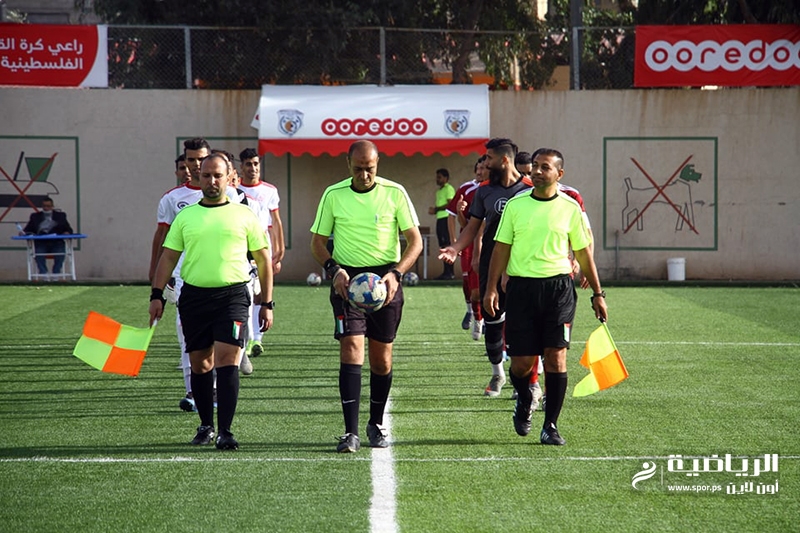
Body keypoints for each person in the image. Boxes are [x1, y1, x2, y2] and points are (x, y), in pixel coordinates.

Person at [149, 153, 274, 450]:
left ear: (229, 177)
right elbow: (168, 257)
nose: (212, 181)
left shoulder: (244, 215)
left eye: (218, 175)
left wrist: (267, 303)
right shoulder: (186, 216)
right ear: (198, 177)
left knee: (228, 360)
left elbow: (263, 259)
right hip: (194, 297)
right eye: (206, 175)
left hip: (233, 296)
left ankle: (226, 431)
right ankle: (206, 426)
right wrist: (156, 295)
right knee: (201, 363)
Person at [483, 148, 607, 446]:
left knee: (556, 356)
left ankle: (550, 425)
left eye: (545, 167)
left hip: (559, 291)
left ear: (559, 174)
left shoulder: (570, 207)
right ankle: (525, 398)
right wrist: (490, 288)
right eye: (535, 166)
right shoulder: (516, 205)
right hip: (522, 291)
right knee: (521, 365)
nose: (537, 171)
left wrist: (598, 293)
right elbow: (501, 248)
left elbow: (583, 252)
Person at [310, 140, 422, 453]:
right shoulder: (333, 195)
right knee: (351, 347)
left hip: (385, 281)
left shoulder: (395, 193)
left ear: (378, 163)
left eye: (369, 168)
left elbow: (414, 241)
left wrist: (396, 274)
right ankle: (350, 432)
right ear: (348, 164)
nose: (364, 175)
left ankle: (376, 423)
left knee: (381, 358)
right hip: (347, 282)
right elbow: (317, 242)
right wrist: (334, 269)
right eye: (358, 169)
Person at [439, 138, 541, 401]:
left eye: (489, 158)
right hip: (490, 267)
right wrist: (455, 248)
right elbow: (473, 227)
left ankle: (530, 383)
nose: (484, 163)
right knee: (493, 323)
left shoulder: (530, 189)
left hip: (522, 268)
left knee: (523, 328)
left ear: (504, 160)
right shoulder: (484, 191)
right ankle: (498, 374)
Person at [150, 139, 241, 412]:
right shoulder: (172, 198)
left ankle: (218, 391)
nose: (197, 165)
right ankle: (193, 391)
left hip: (226, 280)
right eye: (191, 160)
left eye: (202, 159)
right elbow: (162, 238)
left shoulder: (233, 195)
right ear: (185, 162)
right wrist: (155, 282)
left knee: (224, 344)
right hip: (185, 280)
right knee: (188, 339)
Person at [238, 147, 285, 359]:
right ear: (241, 167)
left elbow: (276, 221)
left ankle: (257, 339)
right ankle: (248, 339)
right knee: (246, 295)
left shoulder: (269, 190)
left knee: (260, 294)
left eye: (256, 164)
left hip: (262, 248)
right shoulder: (234, 190)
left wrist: (279, 250)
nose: (253, 168)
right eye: (248, 164)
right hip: (241, 248)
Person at [445, 156, 486, 339]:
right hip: (469, 242)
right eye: (478, 168)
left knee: (486, 287)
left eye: (483, 168)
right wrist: (455, 242)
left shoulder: (498, 189)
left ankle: (486, 320)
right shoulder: (467, 188)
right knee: (470, 284)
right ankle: (473, 313)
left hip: (492, 242)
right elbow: (458, 220)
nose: (480, 172)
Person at [21, 196, 74, 275]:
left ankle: (56, 273)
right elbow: (28, 229)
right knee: (38, 253)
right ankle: (43, 273)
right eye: (44, 206)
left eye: (48, 206)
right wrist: (23, 233)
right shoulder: (35, 217)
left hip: (57, 242)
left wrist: (67, 232)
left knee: (60, 253)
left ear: (52, 206)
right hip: (41, 243)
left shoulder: (60, 216)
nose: (46, 208)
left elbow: (69, 229)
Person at [428, 168, 456, 280]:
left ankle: (450, 273)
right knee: (443, 246)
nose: (437, 179)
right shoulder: (439, 191)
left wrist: (436, 209)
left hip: (446, 219)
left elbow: (450, 204)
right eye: (437, 177)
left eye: (439, 177)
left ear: (446, 178)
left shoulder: (449, 189)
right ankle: (446, 272)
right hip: (440, 219)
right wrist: (435, 211)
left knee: (447, 244)